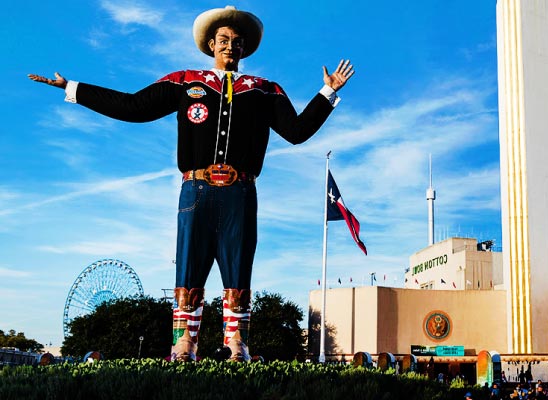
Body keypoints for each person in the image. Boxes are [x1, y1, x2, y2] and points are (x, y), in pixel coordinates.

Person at [28, 6, 354, 362]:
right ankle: (184, 343)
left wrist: (327, 93)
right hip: (195, 190)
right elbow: (133, 106)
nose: (231, 46)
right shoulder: (185, 81)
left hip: (241, 191)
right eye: (224, 40)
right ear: (211, 44)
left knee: (238, 267)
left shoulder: (263, 90)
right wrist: (73, 88)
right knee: (189, 265)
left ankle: (237, 343)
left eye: (237, 41)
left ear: (245, 49)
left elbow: (296, 132)